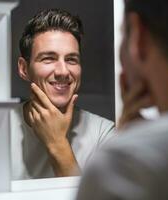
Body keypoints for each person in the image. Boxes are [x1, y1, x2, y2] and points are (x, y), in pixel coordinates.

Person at [76, 0, 168, 199]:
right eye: (48, 58)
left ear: (138, 38)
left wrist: (133, 152)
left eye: (71, 59)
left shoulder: (127, 170)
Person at [10, 8, 115, 180]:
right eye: (48, 58)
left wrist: (57, 143)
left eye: (71, 59)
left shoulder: (103, 134)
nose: (63, 71)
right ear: (23, 68)